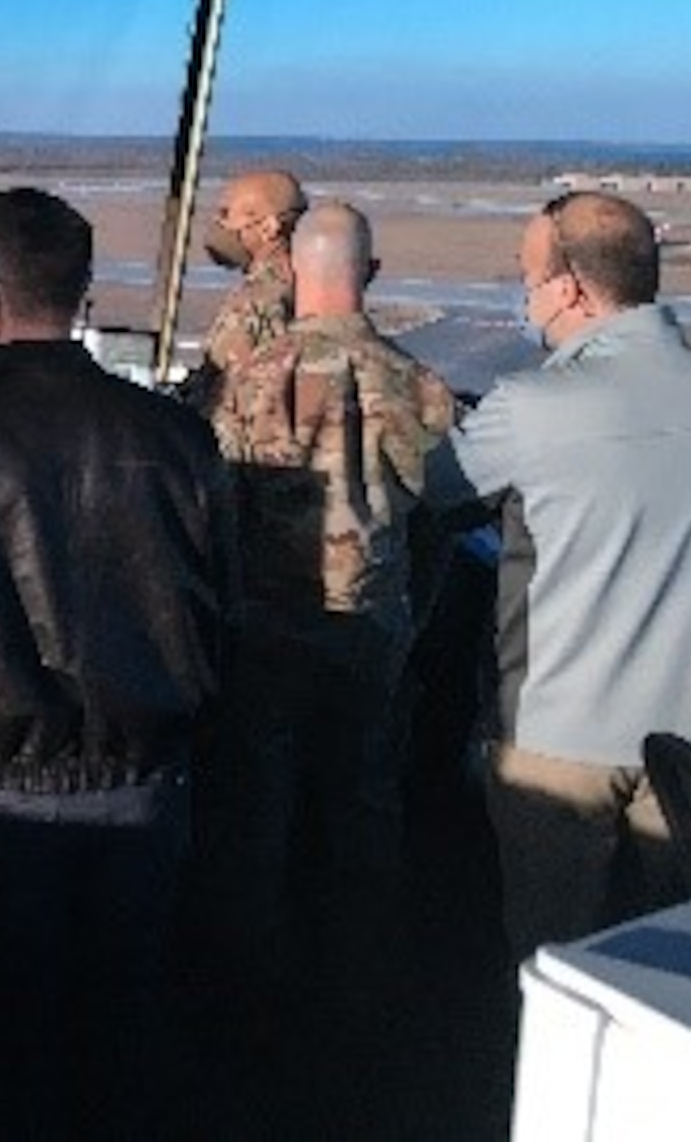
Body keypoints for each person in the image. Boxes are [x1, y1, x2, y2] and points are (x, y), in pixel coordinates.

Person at [0, 186, 238, 1137]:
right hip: (147, 789)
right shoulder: (180, 438)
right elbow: (222, 614)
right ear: (84, 289)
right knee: (121, 1024)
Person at [425, 190, 691, 959]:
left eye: (528, 277)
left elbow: (432, 487)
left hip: (558, 736)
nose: (526, 297)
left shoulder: (532, 405)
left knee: (554, 968)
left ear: (570, 288)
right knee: (667, 966)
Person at [202, 202, 455, 1037]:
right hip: (372, 631)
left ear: (295, 274)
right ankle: (362, 996)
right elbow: (440, 508)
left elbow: (219, 504)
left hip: (266, 628)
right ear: (371, 274)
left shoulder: (245, 376)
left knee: (256, 807)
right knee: (365, 805)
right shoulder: (417, 383)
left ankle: (247, 990)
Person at [181, 168, 308, 411]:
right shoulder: (306, 283)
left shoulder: (256, 302)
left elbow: (222, 394)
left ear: (268, 228)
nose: (220, 225)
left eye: (226, 214)